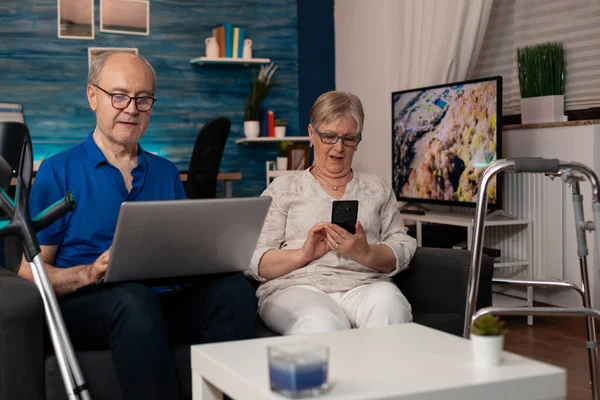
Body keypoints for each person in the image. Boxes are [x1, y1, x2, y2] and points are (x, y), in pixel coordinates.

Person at [16, 52, 257, 399]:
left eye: (143, 99)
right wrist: (89, 273)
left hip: (158, 302)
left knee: (233, 289)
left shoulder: (165, 172)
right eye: (119, 96)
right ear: (92, 96)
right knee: (133, 299)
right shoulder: (57, 171)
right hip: (87, 305)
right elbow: (30, 272)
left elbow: (182, 255)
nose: (131, 108)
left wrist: (211, 257)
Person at [246, 90, 418, 336]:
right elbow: (253, 257)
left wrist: (366, 252)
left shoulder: (376, 188)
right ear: (311, 134)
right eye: (329, 136)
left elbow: (401, 244)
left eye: (349, 139)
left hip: (365, 285)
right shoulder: (283, 189)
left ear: (358, 141)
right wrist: (303, 254)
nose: (339, 147)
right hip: (296, 288)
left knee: (390, 307)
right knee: (321, 323)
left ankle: (383, 375)